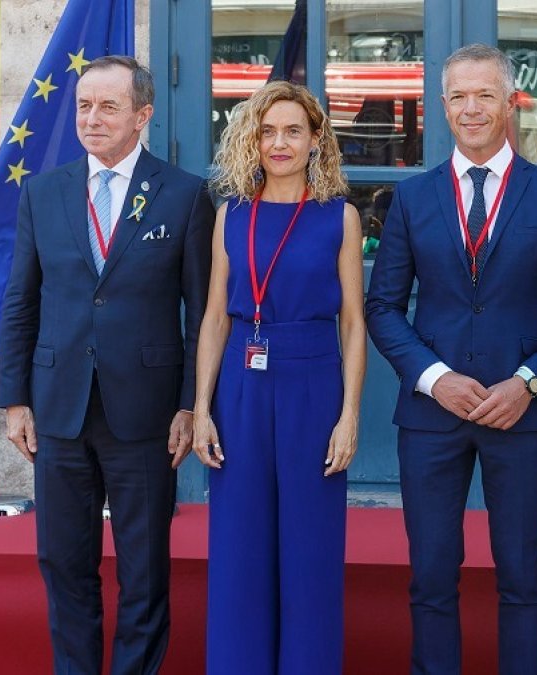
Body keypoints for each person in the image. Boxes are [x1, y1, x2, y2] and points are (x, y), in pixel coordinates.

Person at [365, 44, 537, 675]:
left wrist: (529, 383)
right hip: (431, 418)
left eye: (485, 95)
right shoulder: (410, 199)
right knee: (431, 576)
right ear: (442, 106)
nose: (472, 109)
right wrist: (434, 379)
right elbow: (382, 307)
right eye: (459, 97)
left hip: (520, 418)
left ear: (509, 102)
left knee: (523, 574)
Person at [0, 56, 213, 674]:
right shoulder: (43, 191)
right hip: (58, 408)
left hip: (144, 415)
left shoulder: (185, 194)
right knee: (64, 565)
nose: (91, 118)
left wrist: (189, 403)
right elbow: (21, 299)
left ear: (143, 115)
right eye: (84, 106)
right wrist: (15, 398)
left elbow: (199, 313)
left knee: (144, 572)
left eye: (108, 106)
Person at [192, 80, 366, 675]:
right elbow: (214, 316)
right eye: (268, 131)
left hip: (313, 387)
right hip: (240, 388)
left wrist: (349, 416)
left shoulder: (340, 218)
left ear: (316, 139)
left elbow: (353, 325)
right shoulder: (229, 216)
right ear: (252, 139)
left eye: (294, 130)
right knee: (239, 549)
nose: (280, 142)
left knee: (310, 550)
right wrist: (202, 409)